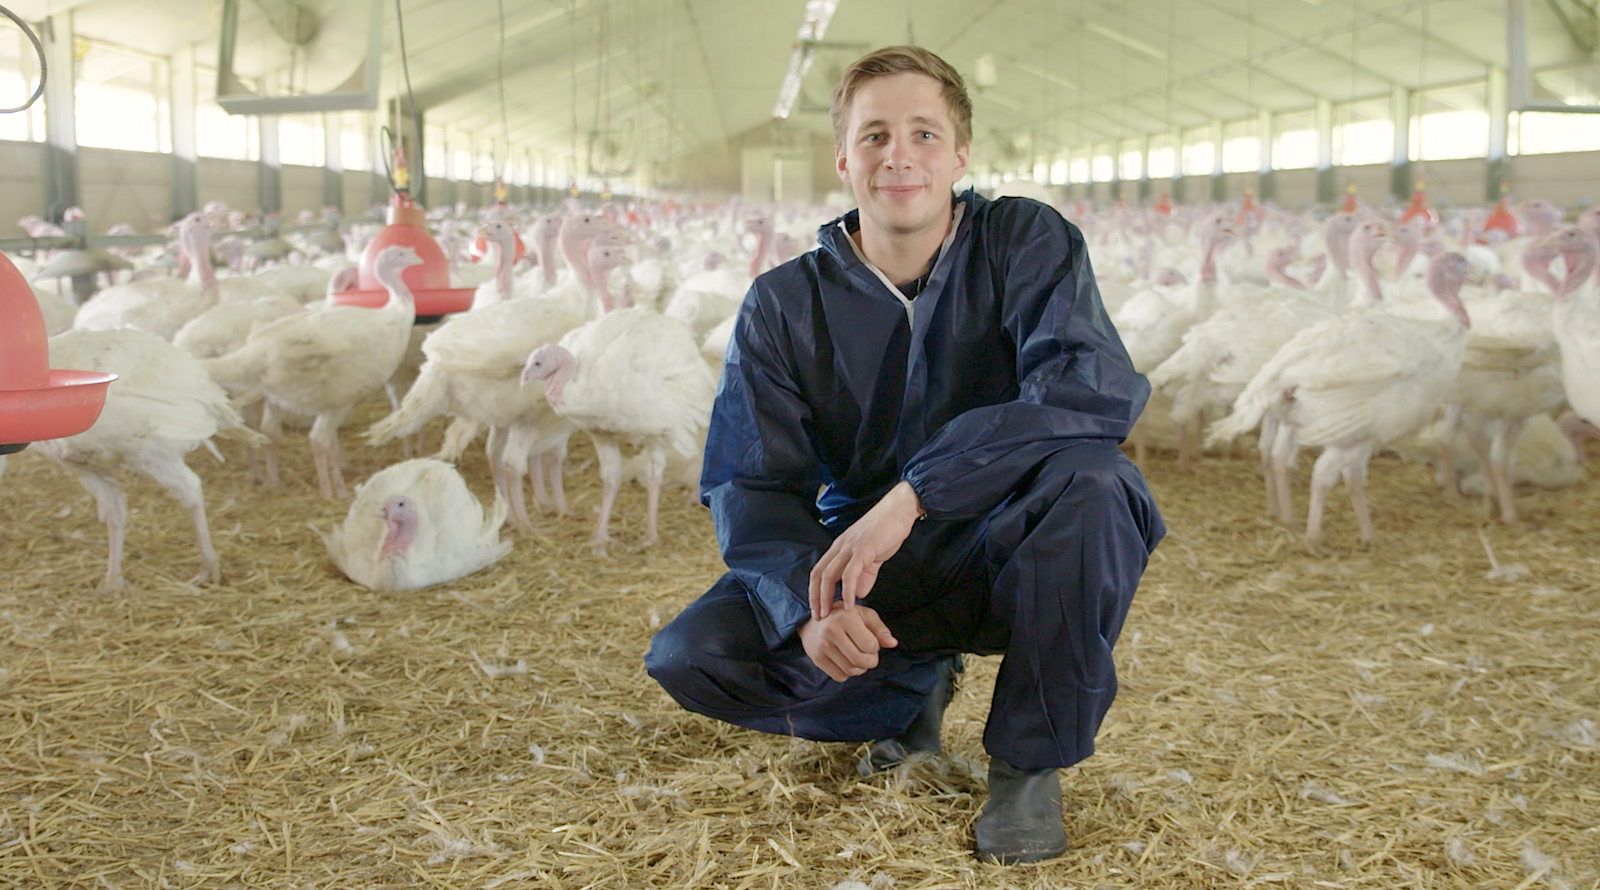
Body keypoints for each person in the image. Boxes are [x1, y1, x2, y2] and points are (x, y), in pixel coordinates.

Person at [645, 45, 1165, 865]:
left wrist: (917, 491)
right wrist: (809, 606)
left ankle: (1029, 764)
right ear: (845, 158)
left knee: (1098, 483)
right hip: (872, 571)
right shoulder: (786, 301)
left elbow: (1090, 386)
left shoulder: (1024, 240)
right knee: (693, 655)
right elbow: (751, 480)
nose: (900, 155)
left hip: (1014, 545)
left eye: (925, 134)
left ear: (960, 156)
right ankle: (906, 687)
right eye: (876, 134)